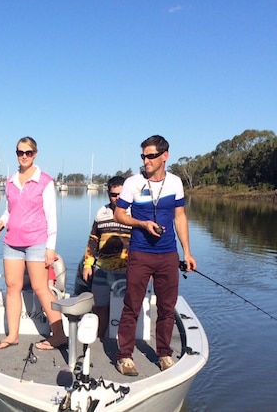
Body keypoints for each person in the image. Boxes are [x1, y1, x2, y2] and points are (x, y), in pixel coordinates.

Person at [113, 135, 196, 376]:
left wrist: (187, 252)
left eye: (150, 156)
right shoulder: (133, 183)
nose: (146, 161)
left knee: (167, 308)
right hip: (140, 253)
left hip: (168, 254)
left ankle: (164, 353)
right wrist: (141, 223)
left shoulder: (176, 183)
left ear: (164, 156)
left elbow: (180, 217)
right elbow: (119, 215)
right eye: (143, 156)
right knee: (132, 306)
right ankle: (125, 356)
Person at [0, 136, 67, 351]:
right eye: (20, 152)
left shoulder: (45, 181)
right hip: (12, 242)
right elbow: (9, 210)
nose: (24, 156)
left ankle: (59, 335)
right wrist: (0, 223)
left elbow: (52, 217)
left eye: (28, 153)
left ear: (35, 154)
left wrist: (50, 247)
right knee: (12, 287)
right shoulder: (11, 181)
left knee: (40, 287)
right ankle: (12, 335)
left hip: (37, 242)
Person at [79, 176, 132, 339]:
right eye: (113, 195)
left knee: (125, 308)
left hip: (126, 271)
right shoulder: (101, 213)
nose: (117, 198)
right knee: (100, 306)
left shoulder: (135, 214)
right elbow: (93, 239)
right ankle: (100, 337)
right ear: (108, 193)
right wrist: (88, 264)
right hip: (102, 269)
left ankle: (123, 340)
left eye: (121, 195)